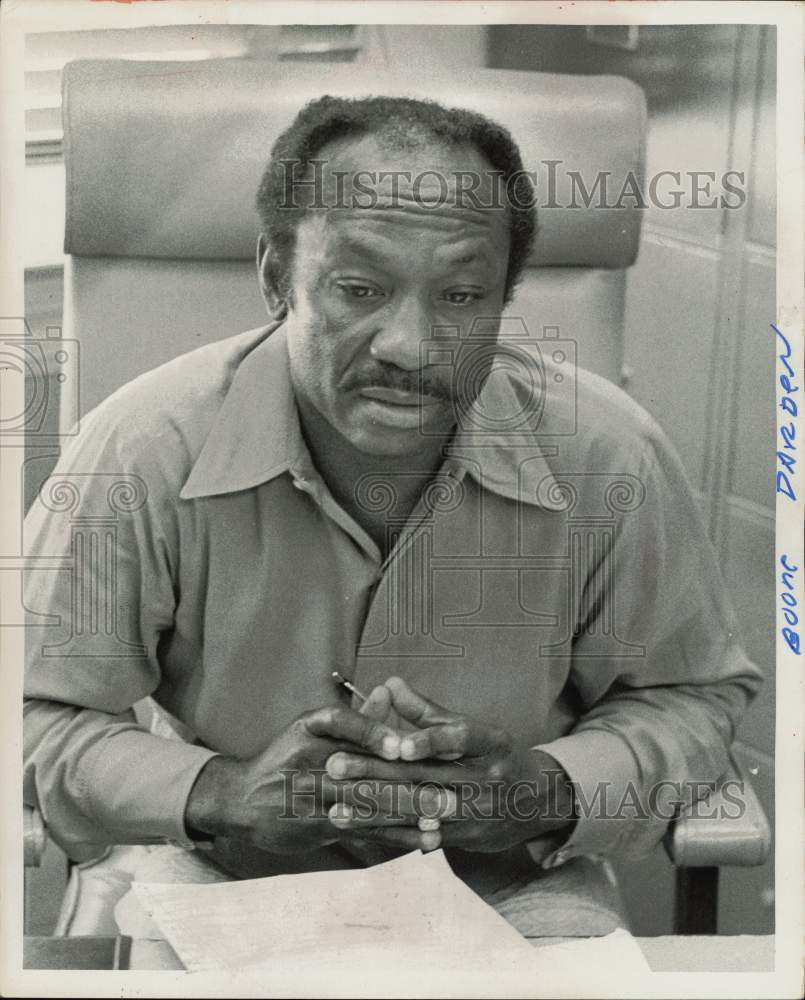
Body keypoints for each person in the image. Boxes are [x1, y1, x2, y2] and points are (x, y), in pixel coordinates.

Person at [23, 95, 761, 939]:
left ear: (502, 301)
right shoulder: (142, 449)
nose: (409, 345)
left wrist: (543, 789)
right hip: (215, 879)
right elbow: (31, 710)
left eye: (460, 294)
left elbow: (690, 695)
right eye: (359, 289)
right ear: (275, 278)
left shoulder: (608, 458)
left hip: (511, 897)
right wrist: (219, 791)